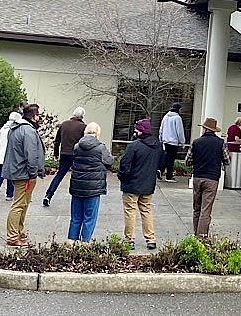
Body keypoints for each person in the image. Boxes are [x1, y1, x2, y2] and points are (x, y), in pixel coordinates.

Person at [2, 104, 45, 247]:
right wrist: (33, 173)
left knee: (23, 204)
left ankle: (19, 232)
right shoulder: (28, 131)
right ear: (33, 116)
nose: (39, 118)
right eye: (38, 115)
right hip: (24, 174)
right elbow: (31, 155)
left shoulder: (16, 128)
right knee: (19, 204)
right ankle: (13, 236)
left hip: (18, 171)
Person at [118, 118, 162, 250]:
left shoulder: (134, 146)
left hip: (132, 184)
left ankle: (129, 239)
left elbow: (125, 164)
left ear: (141, 131)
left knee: (130, 211)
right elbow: (160, 162)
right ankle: (151, 239)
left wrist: (122, 177)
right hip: (148, 185)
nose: (135, 131)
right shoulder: (157, 145)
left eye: (136, 129)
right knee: (146, 210)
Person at [67, 122, 113, 243]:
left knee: (76, 217)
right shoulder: (100, 148)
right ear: (98, 133)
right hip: (93, 187)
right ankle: (84, 242)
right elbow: (109, 161)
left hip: (77, 185)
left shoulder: (77, 146)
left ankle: (71, 241)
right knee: (89, 217)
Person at [186, 117, 225, 237]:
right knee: (206, 209)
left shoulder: (196, 142)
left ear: (204, 129)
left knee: (196, 208)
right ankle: (201, 235)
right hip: (212, 178)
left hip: (198, 177)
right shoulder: (221, 143)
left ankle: (195, 232)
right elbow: (227, 160)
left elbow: (188, 161)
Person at [42, 107, 87, 207]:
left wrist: (56, 154)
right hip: (76, 155)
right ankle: (77, 199)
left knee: (59, 175)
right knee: (77, 176)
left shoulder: (64, 124)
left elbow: (57, 141)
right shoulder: (83, 127)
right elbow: (84, 143)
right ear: (82, 116)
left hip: (64, 153)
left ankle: (48, 195)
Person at [158, 103, 185, 183]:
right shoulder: (177, 118)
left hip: (165, 141)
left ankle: (160, 170)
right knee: (171, 159)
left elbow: (161, 129)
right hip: (173, 142)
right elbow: (180, 131)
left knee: (166, 156)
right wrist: (182, 142)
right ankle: (168, 176)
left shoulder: (165, 117)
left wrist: (161, 138)